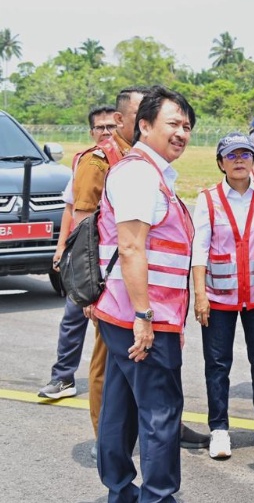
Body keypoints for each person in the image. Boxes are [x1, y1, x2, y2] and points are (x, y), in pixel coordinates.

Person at [93, 86, 197, 502]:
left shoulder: (150, 173)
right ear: (145, 125)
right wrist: (146, 317)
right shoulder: (139, 173)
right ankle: (158, 496)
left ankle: (120, 492)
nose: (182, 133)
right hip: (139, 317)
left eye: (187, 126)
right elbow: (133, 246)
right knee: (160, 413)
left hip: (124, 313)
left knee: (119, 410)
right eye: (173, 123)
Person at [191, 132, 254, 459]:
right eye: (231, 156)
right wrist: (200, 295)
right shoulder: (207, 199)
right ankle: (219, 428)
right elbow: (199, 251)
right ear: (220, 162)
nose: (239, 161)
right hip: (219, 298)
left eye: (245, 155)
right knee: (217, 364)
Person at [39, 105, 118, 400]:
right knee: (74, 315)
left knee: (109, 324)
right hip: (85, 254)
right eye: (101, 128)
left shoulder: (123, 161)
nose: (106, 132)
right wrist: (61, 248)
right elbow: (71, 209)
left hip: (111, 254)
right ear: (91, 132)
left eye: (112, 126)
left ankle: (112, 385)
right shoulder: (85, 161)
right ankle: (63, 377)